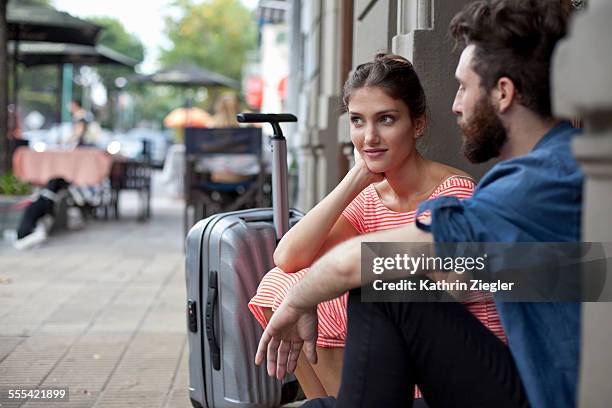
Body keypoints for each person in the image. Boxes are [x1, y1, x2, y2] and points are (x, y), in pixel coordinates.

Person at [255, 1, 579, 407]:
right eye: (357, 120)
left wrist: (302, 297)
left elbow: (370, 263)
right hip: (529, 378)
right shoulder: (560, 165)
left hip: (542, 393)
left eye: (463, 86)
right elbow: (562, 275)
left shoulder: (534, 183)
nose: (456, 104)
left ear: (502, 93)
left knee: (382, 277)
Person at [249, 54, 506, 400]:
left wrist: (320, 289)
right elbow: (288, 257)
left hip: (459, 363)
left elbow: (437, 290)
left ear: (417, 125)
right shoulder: (371, 195)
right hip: (395, 348)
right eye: (357, 121)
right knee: (282, 283)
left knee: (362, 289)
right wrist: (354, 179)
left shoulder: (452, 192)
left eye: (386, 119)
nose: (369, 137)